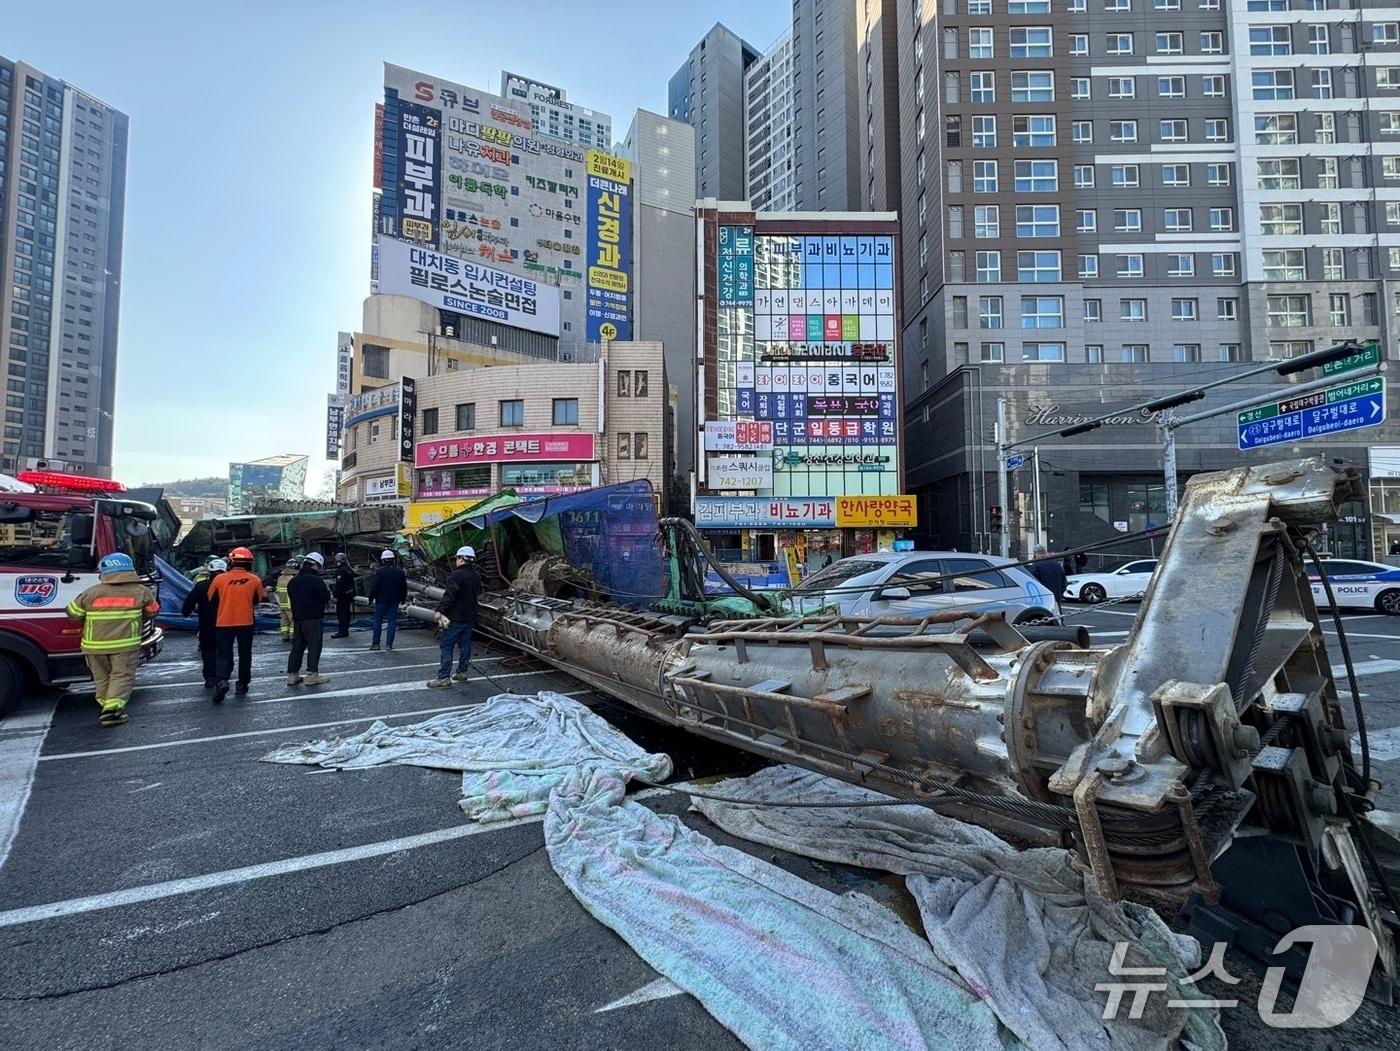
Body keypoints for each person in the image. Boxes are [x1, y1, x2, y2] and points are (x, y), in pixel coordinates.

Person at [65, 552, 159, 727]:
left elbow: (73, 614)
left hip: (93, 646)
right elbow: (153, 611)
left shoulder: (91, 593)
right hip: (125, 645)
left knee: (102, 678)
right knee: (122, 676)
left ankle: (105, 704)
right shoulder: (141, 592)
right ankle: (111, 711)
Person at [207, 546, 267, 703]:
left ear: (231, 561)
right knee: (245, 654)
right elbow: (257, 600)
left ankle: (222, 680)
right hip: (246, 622)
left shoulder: (219, 579)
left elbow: (212, 600)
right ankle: (242, 684)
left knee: (223, 654)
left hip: (224, 622)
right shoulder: (255, 580)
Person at [427, 546, 481, 688]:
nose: (456, 561)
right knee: (465, 645)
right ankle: (462, 672)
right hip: (470, 616)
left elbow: (450, 595)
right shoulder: (476, 575)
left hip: (455, 617)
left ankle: (444, 677)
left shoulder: (457, 575)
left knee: (446, 645)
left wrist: (439, 611)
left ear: (462, 558)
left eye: (457, 558)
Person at [286, 552, 331, 687]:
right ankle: (312, 675)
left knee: (298, 646)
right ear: (316, 565)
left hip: (298, 618)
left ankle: (292, 674)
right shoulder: (315, 580)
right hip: (313, 617)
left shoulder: (293, 581)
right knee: (314, 645)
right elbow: (325, 596)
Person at [181, 557, 227, 688]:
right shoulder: (228, 587)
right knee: (224, 651)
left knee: (207, 651)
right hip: (225, 623)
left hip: (206, 624)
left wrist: (186, 612)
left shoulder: (201, 586)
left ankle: (210, 677)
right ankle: (223, 675)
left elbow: (189, 601)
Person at [368, 549, 407, 651]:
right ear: (393, 560)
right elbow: (403, 587)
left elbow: (374, 586)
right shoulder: (400, 572)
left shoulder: (379, 572)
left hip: (381, 600)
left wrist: (371, 598)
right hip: (394, 600)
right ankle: (389, 644)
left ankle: (376, 644)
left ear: (383, 560)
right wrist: (403, 599)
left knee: (377, 621)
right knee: (392, 621)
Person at [274, 556, 302, 644]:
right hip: (291, 603)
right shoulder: (293, 577)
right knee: (293, 620)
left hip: (282, 603)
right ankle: (293, 636)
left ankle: (284, 636)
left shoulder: (281, 577)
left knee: (284, 620)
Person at [331, 552, 357, 638]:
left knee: (342, 613)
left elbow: (340, 584)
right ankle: (345, 630)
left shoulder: (341, 570)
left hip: (342, 596)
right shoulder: (348, 569)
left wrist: (334, 594)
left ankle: (342, 631)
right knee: (346, 613)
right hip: (349, 594)